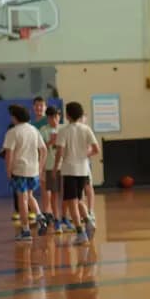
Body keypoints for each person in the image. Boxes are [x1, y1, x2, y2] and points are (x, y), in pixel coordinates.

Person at [56, 102, 100, 245]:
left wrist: (57, 166)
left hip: (69, 170)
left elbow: (60, 152)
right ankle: (88, 220)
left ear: (67, 115)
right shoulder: (86, 129)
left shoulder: (63, 130)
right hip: (83, 170)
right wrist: (84, 155)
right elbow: (96, 149)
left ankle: (81, 233)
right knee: (79, 199)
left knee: (72, 203)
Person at [3, 104, 47, 242]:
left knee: (22, 200)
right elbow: (44, 150)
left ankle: (26, 230)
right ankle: (40, 216)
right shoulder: (34, 130)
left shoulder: (13, 132)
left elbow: (8, 154)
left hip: (20, 170)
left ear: (15, 117)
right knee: (30, 195)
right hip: (33, 170)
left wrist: (8, 170)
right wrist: (40, 167)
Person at [38, 106, 64, 232]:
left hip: (65, 166)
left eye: (56, 116)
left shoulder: (64, 129)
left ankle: (66, 218)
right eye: (51, 117)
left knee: (68, 196)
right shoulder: (43, 130)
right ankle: (56, 219)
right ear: (47, 118)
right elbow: (40, 150)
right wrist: (50, 142)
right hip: (50, 167)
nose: (54, 119)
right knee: (53, 194)